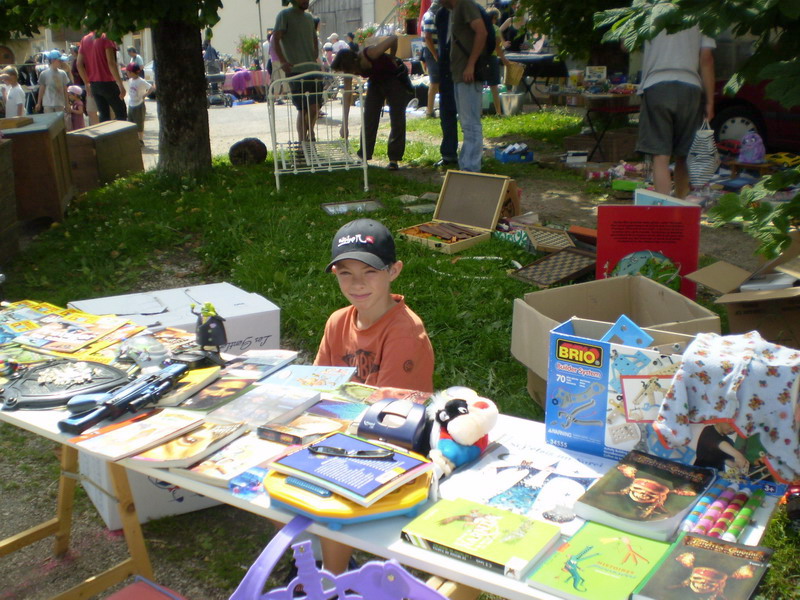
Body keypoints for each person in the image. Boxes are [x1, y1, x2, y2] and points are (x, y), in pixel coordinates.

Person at [315, 217, 434, 574]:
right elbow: (319, 385)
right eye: (345, 273)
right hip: (343, 429)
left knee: (330, 489)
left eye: (369, 272)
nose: (357, 284)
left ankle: (333, 575)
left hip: (394, 444)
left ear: (394, 271)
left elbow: (389, 415)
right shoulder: (338, 321)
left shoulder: (404, 332)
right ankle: (312, 559)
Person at [636, 26, 715, 199]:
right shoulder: (703, 10)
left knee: (660, 155)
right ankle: (680, 206)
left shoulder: (647, 5)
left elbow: (627, 44)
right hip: (690, 87)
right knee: (684, 154)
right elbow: (706, 59)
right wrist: (710, 101)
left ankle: (664, 212)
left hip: (656, 84)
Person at [331, 37, 414, 171]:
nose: (350, 75)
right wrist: (344, 125)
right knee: (369, 117)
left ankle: (394, 159)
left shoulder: (371, 53)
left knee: (397, 118)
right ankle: (364, 156)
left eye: (349, 71)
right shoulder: (349, 69)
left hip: (394, 80)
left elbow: (393, 39)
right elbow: (347, 96)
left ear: (353, 62)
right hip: (376, 82)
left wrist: (392, 57)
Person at [441, 0, 487, 172]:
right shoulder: (455, 9)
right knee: (466, 123)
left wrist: (471, 65)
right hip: (459, 74)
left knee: (471, 124)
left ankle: (471, 168)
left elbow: (481, 32)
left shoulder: (465, 5)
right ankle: (467, 165)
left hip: (468, 74)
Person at [272, 0, 322, 142]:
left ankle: (309, 132)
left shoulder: (309, 18)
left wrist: (315, 55)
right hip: (295, 70)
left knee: (314, 107)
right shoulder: (284, 15)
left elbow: (314, 38)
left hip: (311, 68)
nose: (305, 0)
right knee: (302, 108)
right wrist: (283, 61)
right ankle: (302, 142)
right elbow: (276, 38)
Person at [77, 32, 127, 122]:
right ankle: (120, 135)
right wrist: (120, 84)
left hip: (94, 84)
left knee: (103, 115)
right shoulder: (106, 37)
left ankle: (105, 135)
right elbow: (111, 62)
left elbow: (79, 64)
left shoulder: (85, 39)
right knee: (121, 113)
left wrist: (86, 83)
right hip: (108, 82)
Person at [434, 3, 459, 167]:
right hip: (446, 70)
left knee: (468, 116)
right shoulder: (441, 14)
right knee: (446, 113)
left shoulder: (468, 9)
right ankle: (449, 154)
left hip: (464, 69)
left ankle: (472, 157)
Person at [487, 7, 511, 116]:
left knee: (478, 87)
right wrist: (504, 60)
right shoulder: (495, 29)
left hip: (480, 58)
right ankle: (498, 111)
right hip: (492, 58)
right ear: (494, 18)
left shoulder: (481, 28)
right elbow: (497, 47)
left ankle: (478, 111)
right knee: (494, 86)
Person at [421, 0, 443, 119]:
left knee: (438, 81)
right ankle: (429, 111)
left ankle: (437, 108)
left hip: (434, 51)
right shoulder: (430, 16)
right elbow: (427, 37)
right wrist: (435, 55)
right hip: (432, 51)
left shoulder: (430, 15)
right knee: (434, 82)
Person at [125, 63, 153, 145]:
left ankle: (140, 140)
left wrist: (144, 95)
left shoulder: (141, 81)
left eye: (127, 72)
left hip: (139, 105)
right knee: (130, 122)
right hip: (131, 104)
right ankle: (133, 139)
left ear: (132, 72)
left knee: (139, 123)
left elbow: (151, 88)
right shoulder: (130, 81)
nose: (127, 73)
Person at [35, 50, 69, 118]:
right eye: (59, 61)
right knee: (49, 123)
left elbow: (65, 89)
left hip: (60, 103)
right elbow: (42, 89)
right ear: (53, 60)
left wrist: (67, 103)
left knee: (61, 123)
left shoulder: (63, 73)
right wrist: (39, 103)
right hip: (48, 104)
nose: (61, 63)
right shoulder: (44, 74)